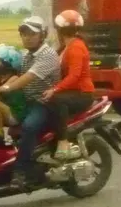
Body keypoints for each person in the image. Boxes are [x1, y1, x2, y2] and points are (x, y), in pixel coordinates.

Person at [0, 17, 61, 189]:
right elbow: (7, 71)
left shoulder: (48, 55)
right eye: (24, 34)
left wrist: (5, 88)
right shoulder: (25, 55)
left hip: (45, 102)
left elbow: (27, 77)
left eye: (32, 34)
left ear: (42, 35)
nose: (27, 37)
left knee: (29, 127)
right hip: (26, 101)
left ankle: (21, 171)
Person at [38, 10, 94, 161]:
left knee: (56, 100)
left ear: (59, 30)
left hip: (82, 93)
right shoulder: (65, 46)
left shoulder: (76, 47)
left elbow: (74, 76)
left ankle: (63, 142)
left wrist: (54, 89)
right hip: (72, 91)